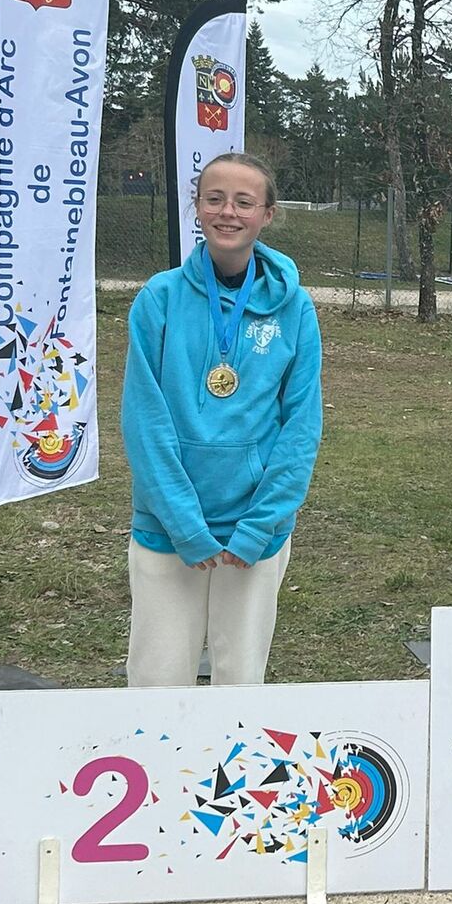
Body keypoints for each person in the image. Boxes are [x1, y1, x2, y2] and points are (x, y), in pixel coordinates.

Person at [121, 152, 323, 687]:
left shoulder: (295, 308)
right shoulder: (159, 298)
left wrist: (261, 524)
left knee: (240, 685)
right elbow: (144, 422)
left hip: (254, 529)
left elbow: (301, 427)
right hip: (168, 525)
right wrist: (184, 525)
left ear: (267, 214)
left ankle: (233, 755)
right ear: (197, 207)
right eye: (214, 199)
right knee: (158, 683)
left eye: (243, 202)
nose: (227, 212)